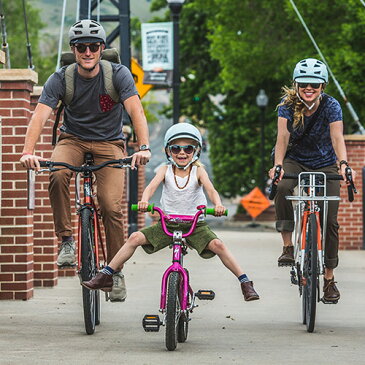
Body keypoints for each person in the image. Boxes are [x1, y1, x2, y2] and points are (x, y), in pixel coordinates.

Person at [19, 19, 151, 302]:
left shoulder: (118, 75)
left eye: (93, 46)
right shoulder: (61, 78)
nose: (87, 52)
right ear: (74, 49)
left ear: (102, 48)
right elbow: (40, 115)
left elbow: (136, 111)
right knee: (56, 173)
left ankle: (115, 271)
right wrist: (28, 151)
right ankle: (66, 240)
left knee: (111, 206)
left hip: (110, 144)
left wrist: (143, 147)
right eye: (81, 47)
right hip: (72, 140)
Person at [82, 123, 260, 302]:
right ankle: (107, 274)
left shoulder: (199, 171)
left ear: (195, 151)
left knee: (218, 246)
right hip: (167, 224)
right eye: (176, 148)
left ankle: (245, 283)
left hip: (195, 225)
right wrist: (144, 201)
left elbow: (211, 190)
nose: (182, 153)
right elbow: (151, 188)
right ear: (168, 151)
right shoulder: (164, 170)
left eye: (188, 148)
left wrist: (218, 204)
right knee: (135, 238)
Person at [269, 58, 356, 303]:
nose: (309, 88)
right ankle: (287, 246)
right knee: (284, 187)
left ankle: (329, 278)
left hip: (326, 163)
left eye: (315, 85)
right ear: (296, 84)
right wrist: (278, 166)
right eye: (305, 83)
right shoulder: (286, 105)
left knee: (330, 220)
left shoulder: (331, 106)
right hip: (295, 160)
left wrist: (344, 164)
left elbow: (337, 137)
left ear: (323, 87)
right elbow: (282, 138)